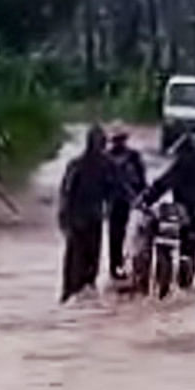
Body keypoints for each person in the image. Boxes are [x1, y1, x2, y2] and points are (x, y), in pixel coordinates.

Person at [140, 132, 195, 289]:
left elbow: (161, 186)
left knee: (187, 251)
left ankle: (185, 284)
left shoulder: (181, 166)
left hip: (189, 216)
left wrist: (144, 201)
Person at [57, 124, 113, 302]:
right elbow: (66, 192)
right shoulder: (78, 165)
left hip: (91, 218)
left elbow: (116, 189)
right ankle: (72, 294)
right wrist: (64, 217)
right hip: (79, 219)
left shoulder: (104, 165)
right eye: (99, 142)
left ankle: (78, 295)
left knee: (87, 261)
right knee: (77, 261)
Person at [105, 125, 147, 280]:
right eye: (116, 140)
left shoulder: (134, 157)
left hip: (132, 202)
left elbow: (142, 180)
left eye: (121, 139)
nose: (118, 143)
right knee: (115, 236)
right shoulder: (107, 157)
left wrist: (142, 198)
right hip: (115, 202)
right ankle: (115, 266)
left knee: (135, 236)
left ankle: (132, 266)